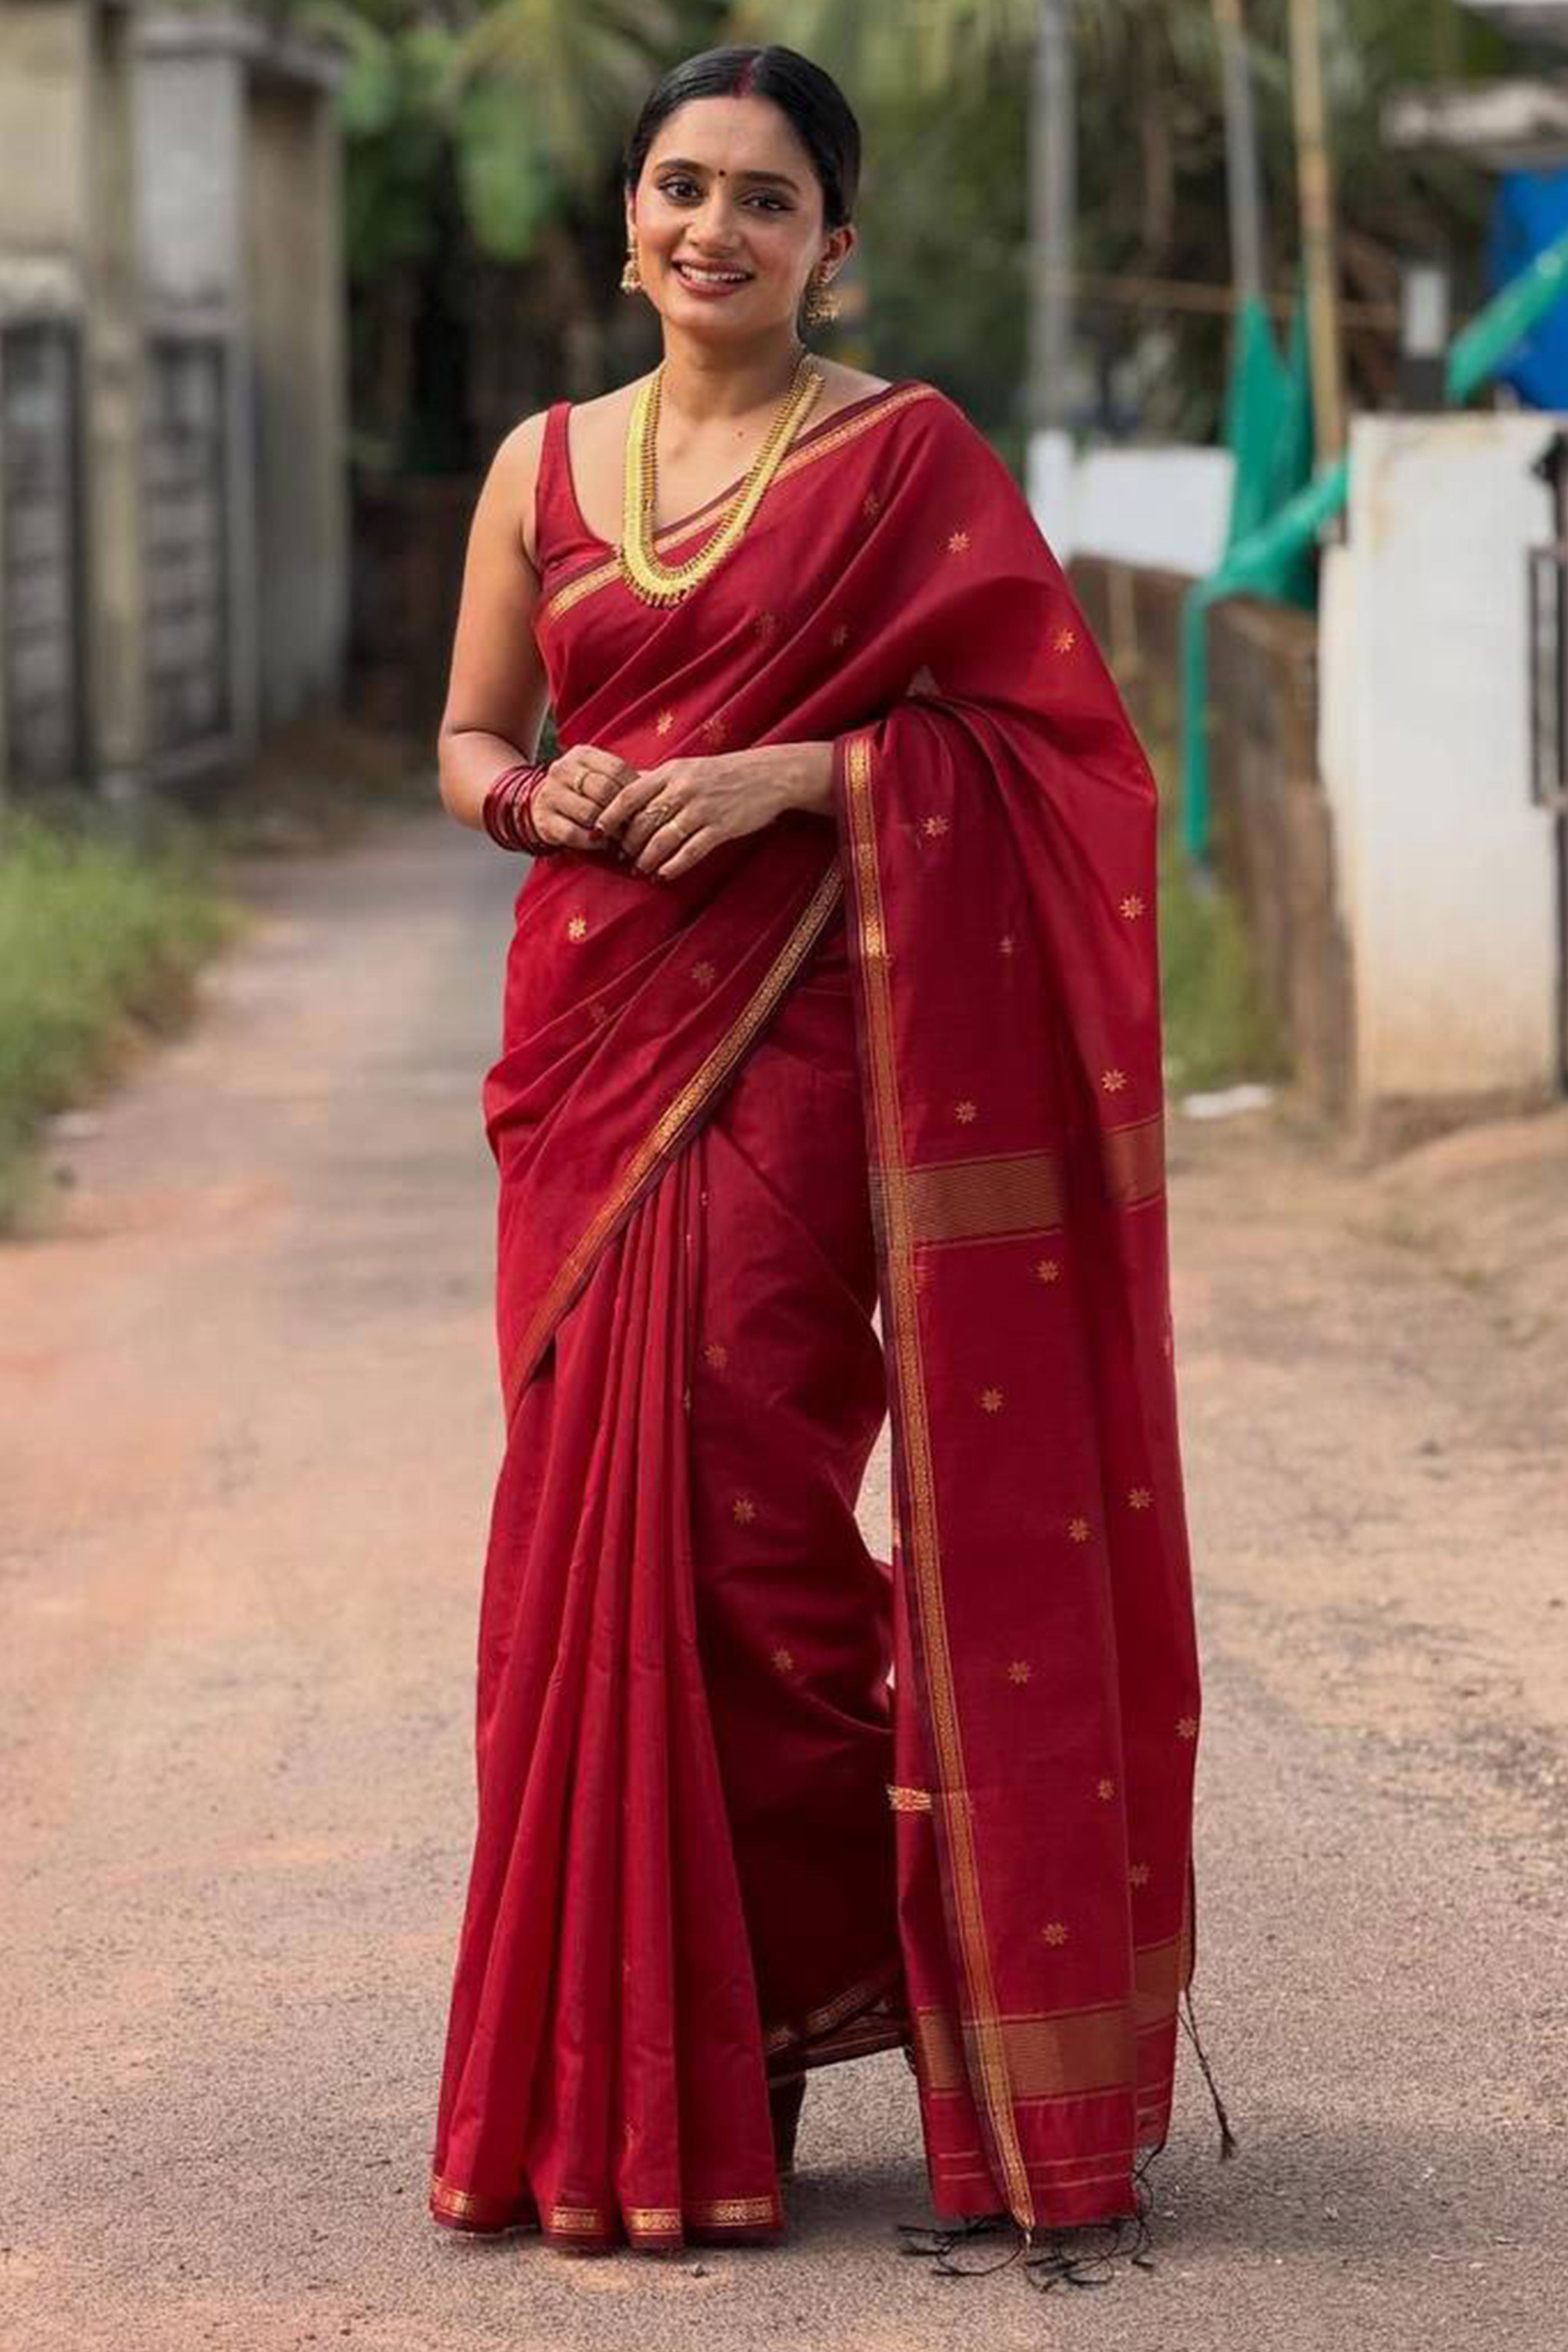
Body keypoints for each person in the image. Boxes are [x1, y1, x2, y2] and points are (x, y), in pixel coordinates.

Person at [427, 39, 1213, 2274]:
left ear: (831, 249)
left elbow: (1061, 757)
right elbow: (472, 733)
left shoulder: (906, 461)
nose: (716, 227)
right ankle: (672, 2048)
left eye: (765, 199)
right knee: (580, 1553)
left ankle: (848, 1975)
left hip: (794, 1042)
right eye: (682, 186)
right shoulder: (539, 465)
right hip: (588, 1044)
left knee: (754, 1531)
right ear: (628, 220)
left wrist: (803, 778)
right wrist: (537, 799)